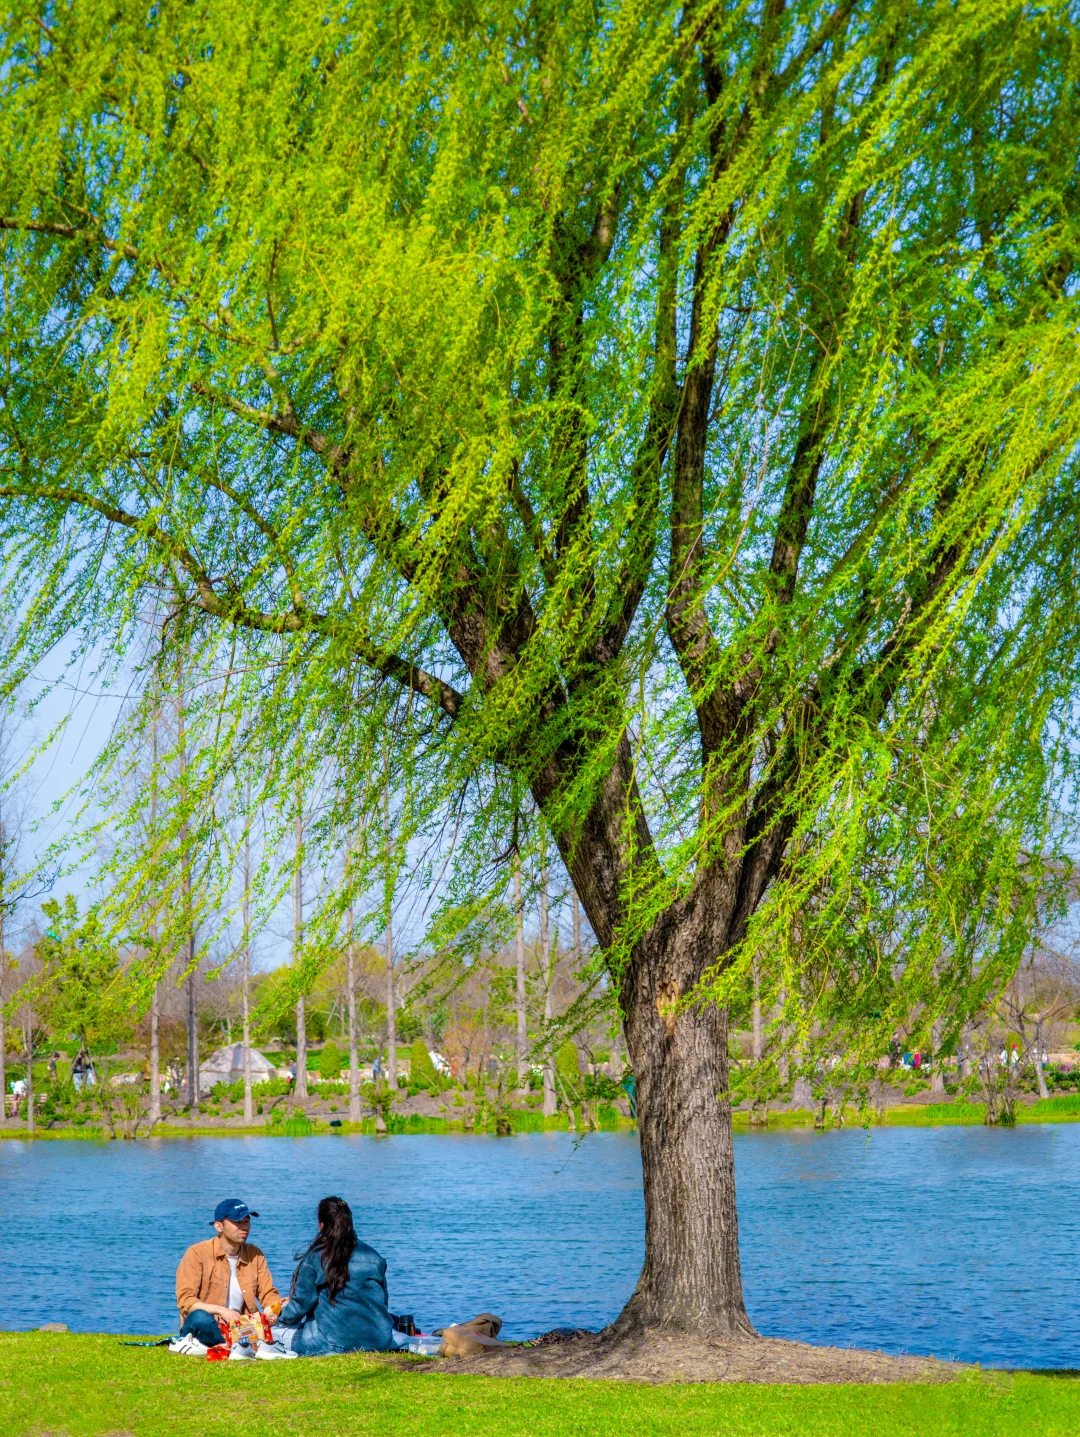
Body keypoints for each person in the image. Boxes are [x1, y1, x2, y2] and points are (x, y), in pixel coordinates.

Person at [272, 1195, 395, 1356]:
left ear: (321, 1225)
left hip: (332, 1344)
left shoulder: (316, 1257)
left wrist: (280, 1319)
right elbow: (383, 1302)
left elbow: (300, 1304)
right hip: (379, 1342)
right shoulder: (374, 1256)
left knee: (275, 1332)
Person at [172, 1198, 283, 1355]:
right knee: (199, 1318)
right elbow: (185, 1301)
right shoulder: (197, 1253)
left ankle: (232, 1344)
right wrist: (221, 1310)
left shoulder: (255, 1255)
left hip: (241, 1327)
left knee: (290, 1314)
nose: (244, 1227)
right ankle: (238, 1345)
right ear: (219, 1226)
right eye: (238, 1222)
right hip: (208, 1324)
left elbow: (268, 1293)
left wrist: (273, 1309)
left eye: (246, 1222)